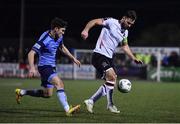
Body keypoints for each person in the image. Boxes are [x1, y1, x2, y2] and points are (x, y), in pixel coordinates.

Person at [15, 17, 81, 116]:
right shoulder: (45, 38)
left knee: (47, 94)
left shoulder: (59, 37)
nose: (63, 33)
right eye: (62, 30)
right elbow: (31, 53)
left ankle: (22, 92)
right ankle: (68, 109)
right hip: (44, 67)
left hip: (51, 67)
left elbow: (62, 47)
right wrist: (32, 68)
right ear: (56, 29)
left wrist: (73, 58)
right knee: (60, 84)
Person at [81, 10, 143, 114]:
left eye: (132, 24)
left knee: (112, 81)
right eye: (128, 23)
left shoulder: (125, 32)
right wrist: (86, 30)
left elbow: (124, 46)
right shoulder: (111, 22)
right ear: (123, 18)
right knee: (112, 77)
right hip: (99, 54)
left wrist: (133, 58)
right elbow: (94, 21)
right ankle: (104, 103)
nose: (130, 25)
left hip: (109, 58)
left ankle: (96, 102)